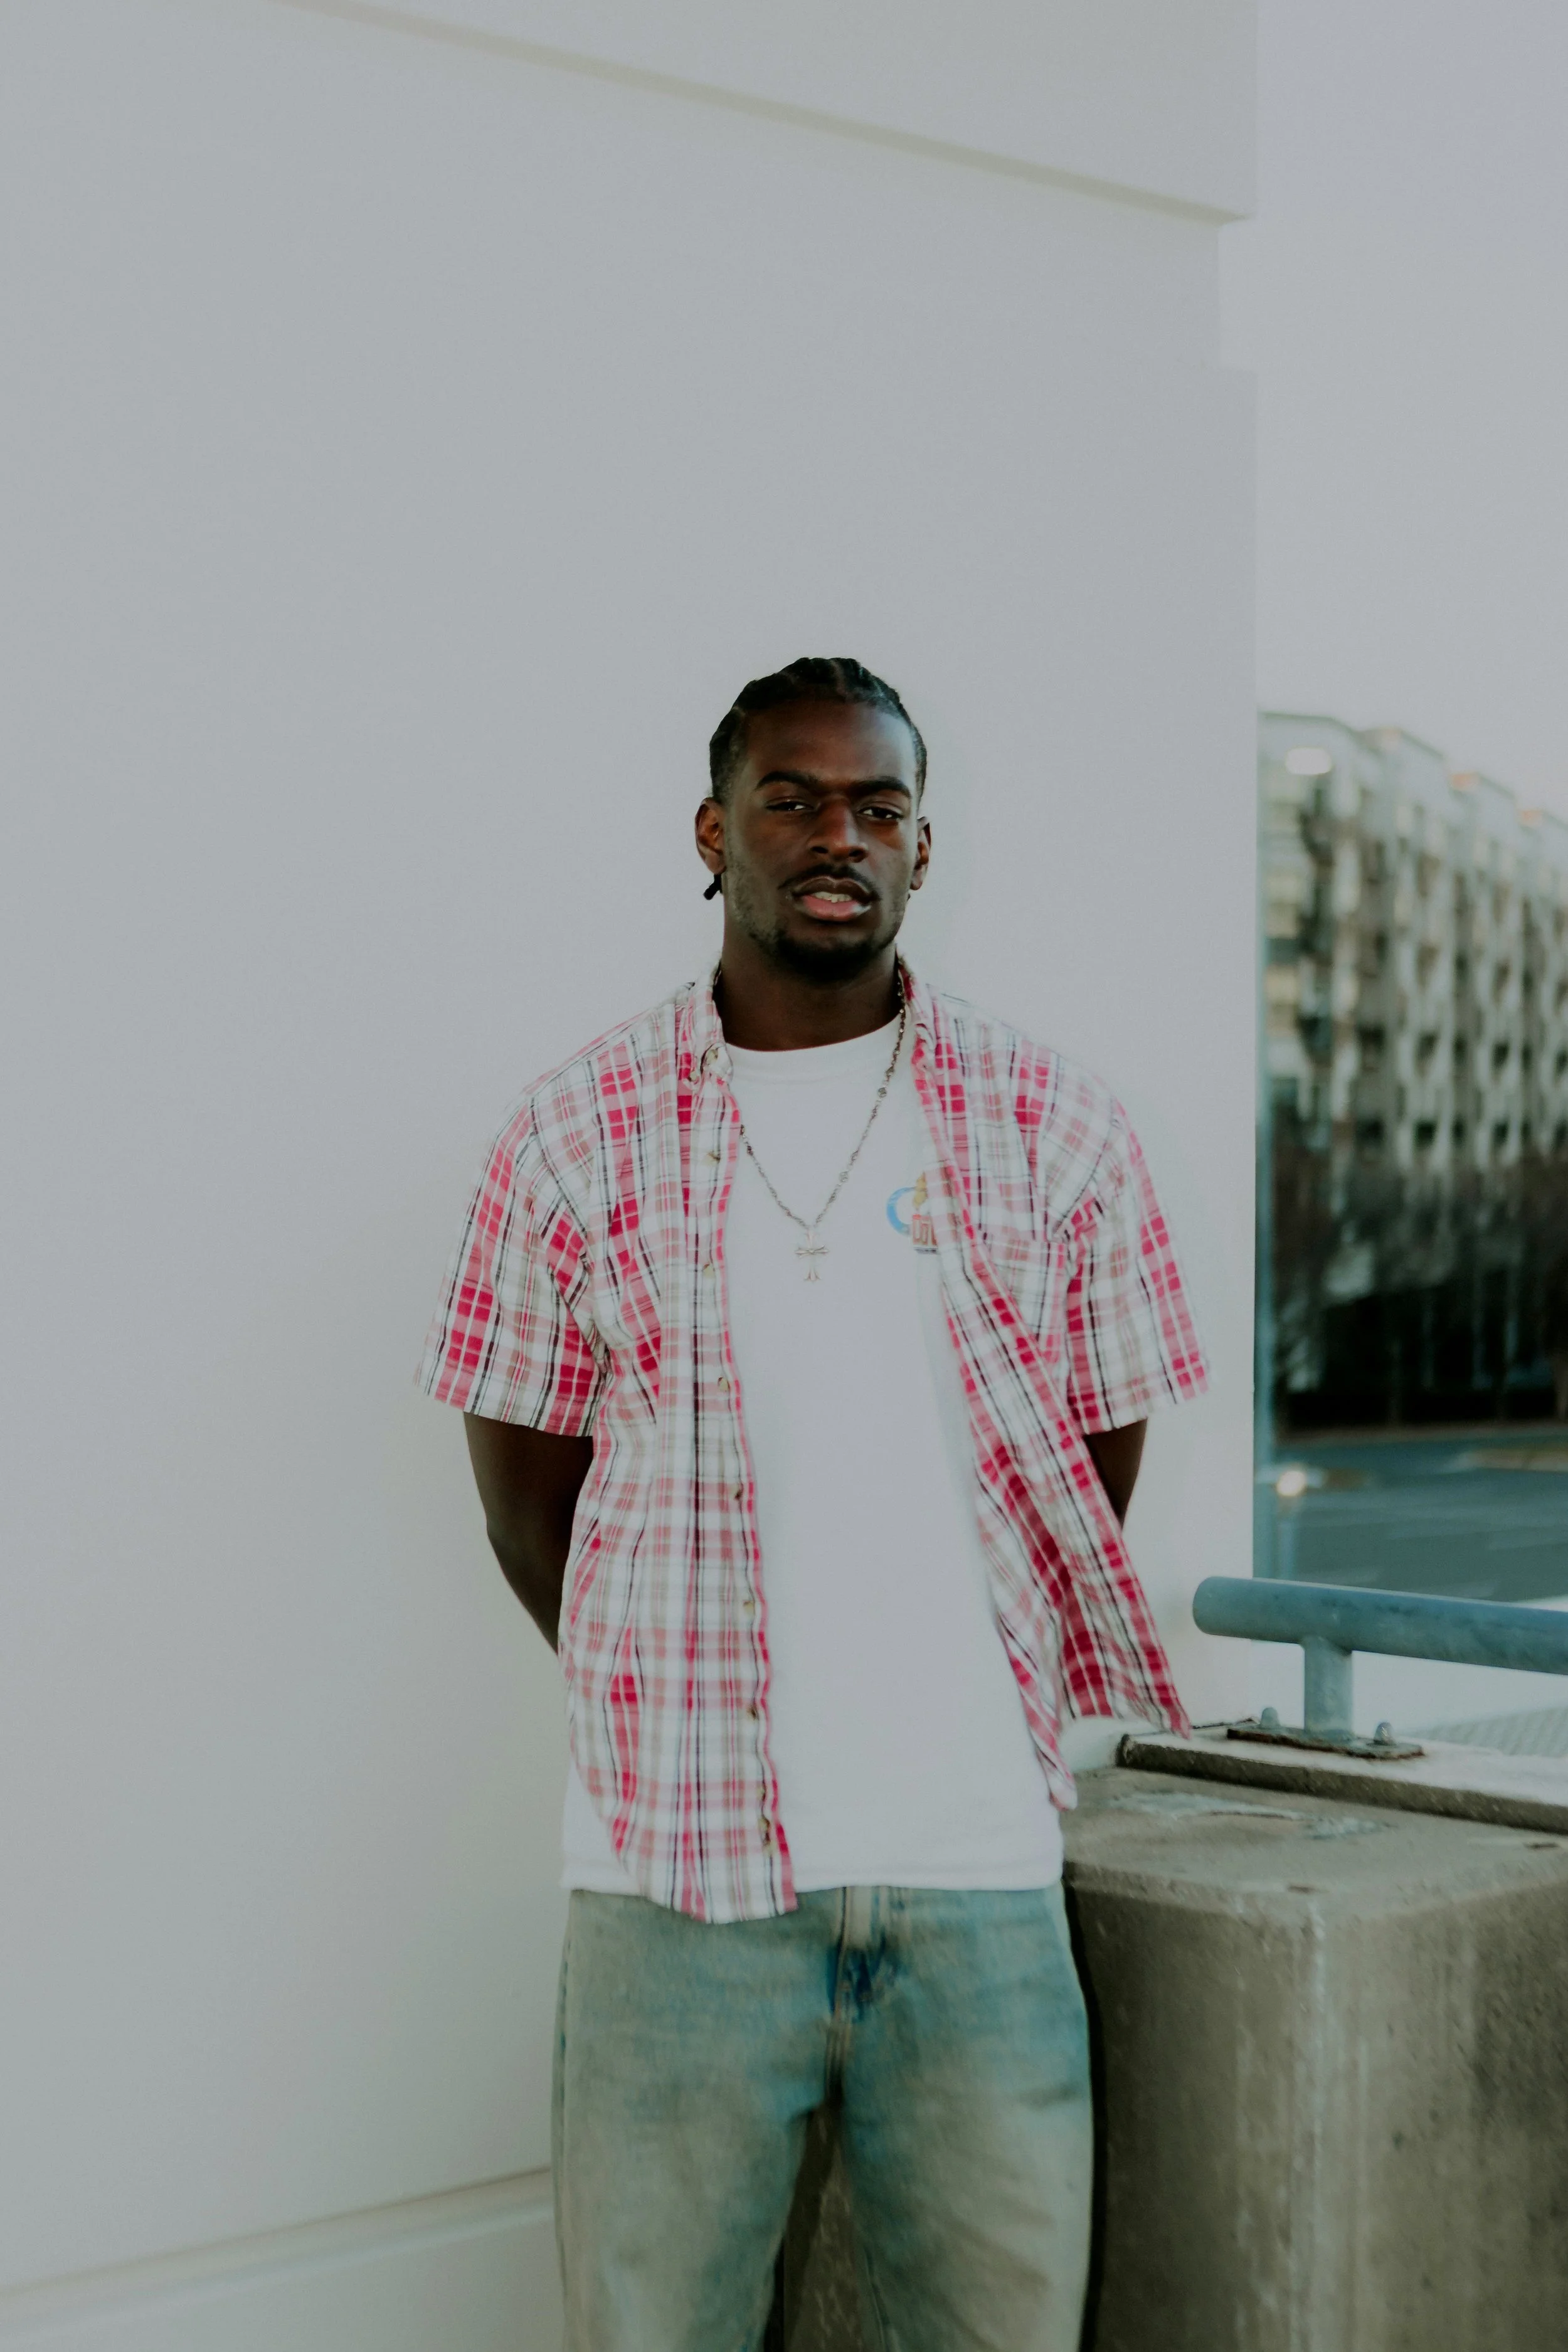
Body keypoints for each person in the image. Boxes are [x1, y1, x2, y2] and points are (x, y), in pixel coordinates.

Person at [419, 657, 1208, 2351]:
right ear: (714, 831)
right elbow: (521, 1502)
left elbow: (1086, 1472)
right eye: (792, 797)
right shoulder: (569, 1132)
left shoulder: (1055, 1121)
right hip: (671, 1897)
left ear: (925, 843)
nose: (836, 833)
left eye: (878, 803)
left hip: (980, 1883)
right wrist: (666, 1701)